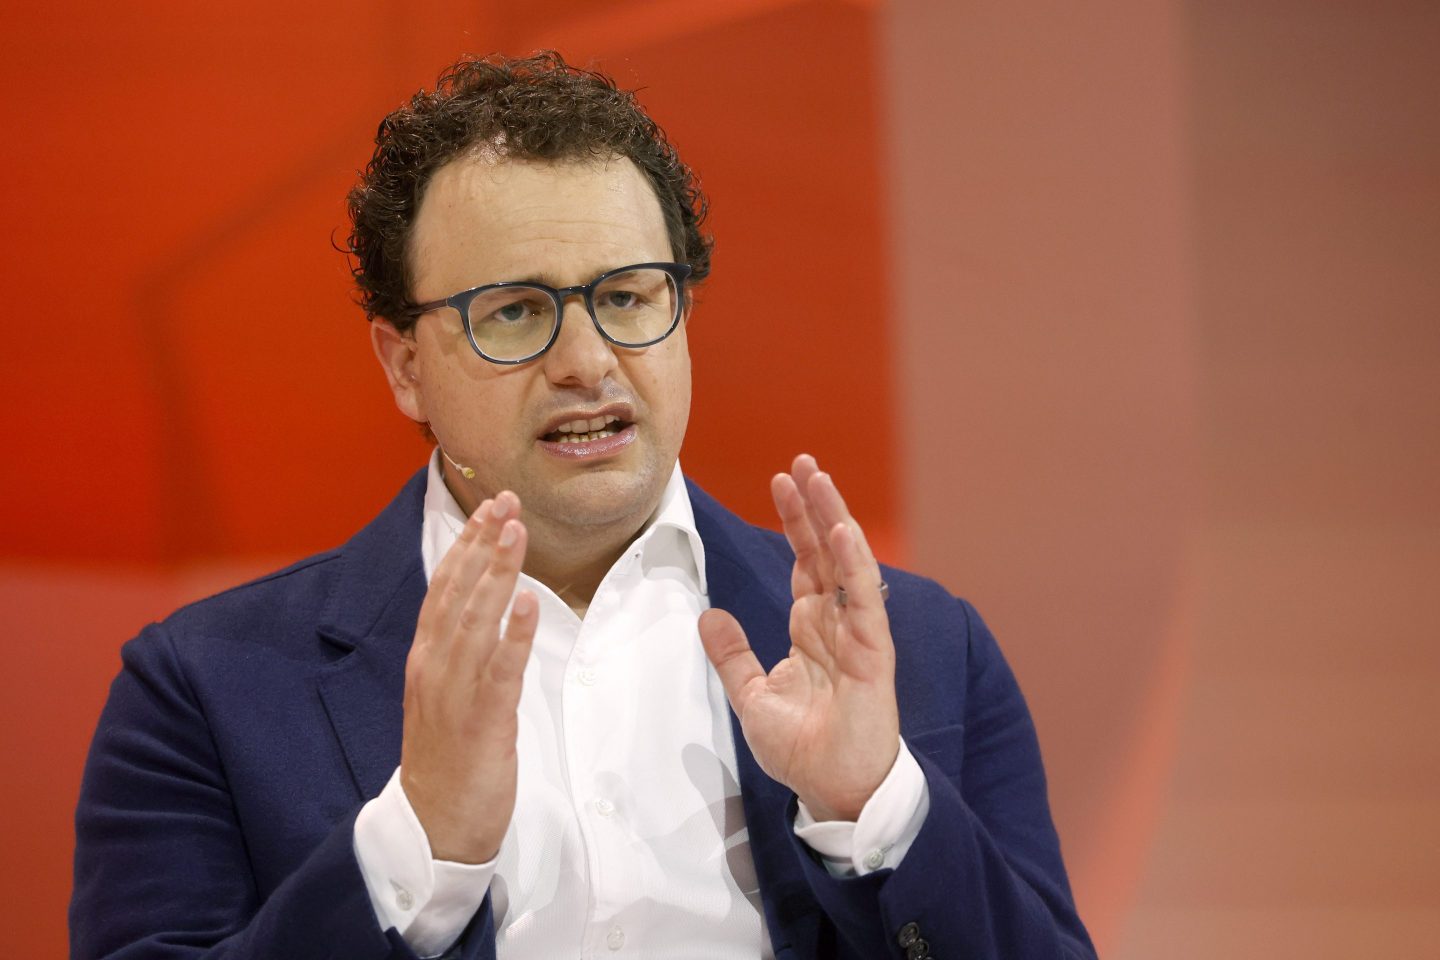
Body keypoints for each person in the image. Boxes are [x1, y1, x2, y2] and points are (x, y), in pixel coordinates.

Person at [70, 52, 1095, 960]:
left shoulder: (926, 649)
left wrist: (877, 811)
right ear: (405, 365)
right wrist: (415, 850)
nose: (587, 361)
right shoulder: (206, 692)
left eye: (628, 296)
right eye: (515, 310)